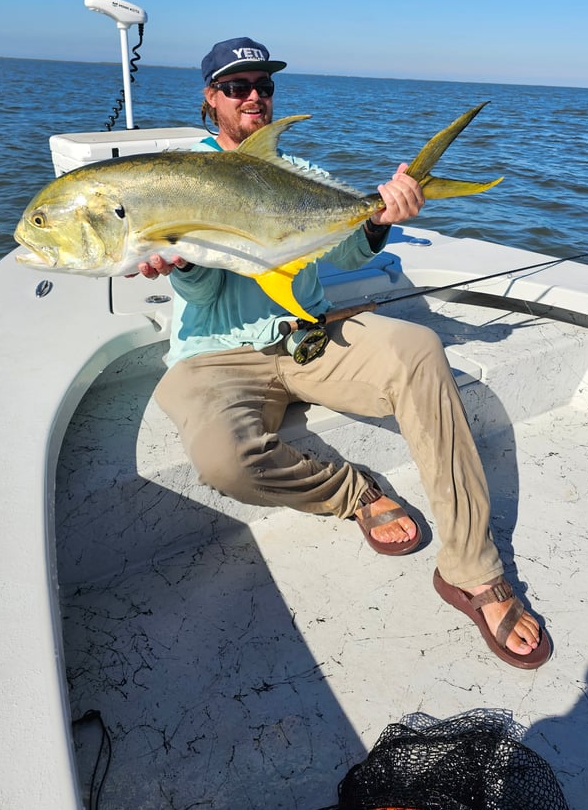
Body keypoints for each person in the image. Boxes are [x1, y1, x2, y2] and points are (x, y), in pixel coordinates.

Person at [138, 37, 550, 669]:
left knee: (416, 347)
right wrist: (181, 263)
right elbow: (199, 279)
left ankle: (471, 568)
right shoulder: (174, 175)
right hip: (215, 355)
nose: (254, 96)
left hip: (307, 336)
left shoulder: (293, 172)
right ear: (210, 99)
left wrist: (380, 219)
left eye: (264, 86)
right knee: (224, 461)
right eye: (237, 86)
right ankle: (355, 494)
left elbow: (346, 252)